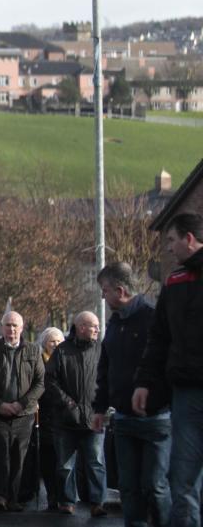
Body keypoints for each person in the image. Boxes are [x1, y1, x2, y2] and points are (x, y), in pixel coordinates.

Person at [134, 212, 203, 527]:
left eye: (172, 241)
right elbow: (159, 338)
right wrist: (146, 381)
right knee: (182, 476)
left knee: (186, 477)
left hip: (189, 392)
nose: (169, 249)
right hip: (185, 392)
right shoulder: (175, 282)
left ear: (189, 239)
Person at [94, 262, 171, 527]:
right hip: (124, 419)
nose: (102, 296)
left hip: (156, 417)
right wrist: (99, 407)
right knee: (128, 487)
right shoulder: (115, 324)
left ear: (120, 290)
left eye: (104, 291)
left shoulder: (153, 318)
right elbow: (107, 368)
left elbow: (164, 363)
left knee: (155, 486)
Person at [0, 310, 45, 512]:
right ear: (1, 327)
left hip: (24, 415)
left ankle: (13, 498)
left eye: (15, 325)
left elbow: (40, 383)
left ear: (22, 328)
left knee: (18, 458)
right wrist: (0, 405)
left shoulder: (33, 350)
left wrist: (21, 404)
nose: (11, 329)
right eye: (8, 325)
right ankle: (0, 496)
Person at [45, 311, 106, 517]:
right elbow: (51, 381)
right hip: (66, 419)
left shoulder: (101, 350)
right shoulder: (62, 351)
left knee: (96, 463)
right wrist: (68, 404)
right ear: (81, 327)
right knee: (65, 465)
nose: (97, 329)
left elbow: (108, 377)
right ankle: (67, 501)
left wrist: (103, 406)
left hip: (94, 417)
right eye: (93, 326)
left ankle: (98, 502)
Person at [29, 327, 65, 510]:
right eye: (52, 341)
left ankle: (64, 496)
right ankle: (52, 495)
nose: (56, 345)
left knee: (63, 461)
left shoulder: (66, 359)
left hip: (62, 415)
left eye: (59, 341)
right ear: (44, 343)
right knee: (48, 459)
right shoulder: (38, 361)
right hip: (43, 417)